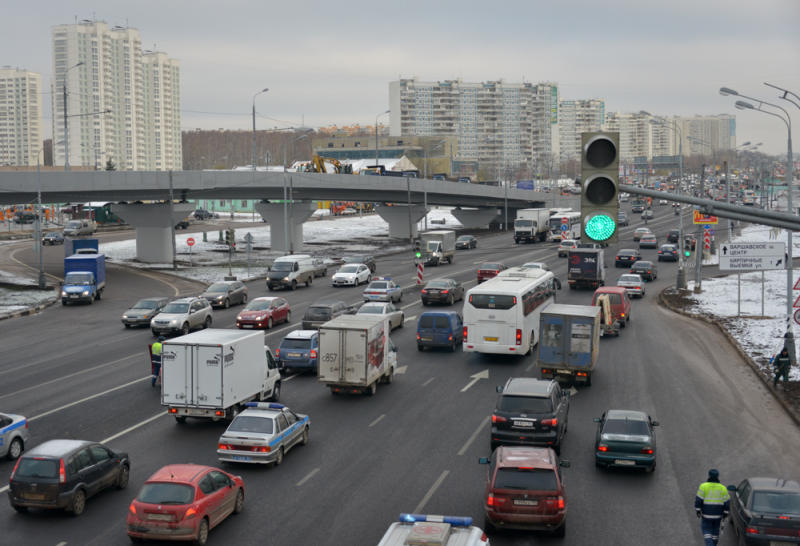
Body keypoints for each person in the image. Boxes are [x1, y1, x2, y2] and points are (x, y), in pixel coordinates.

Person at [695, 469, 730, 546]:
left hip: (706, 515)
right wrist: (725, 513)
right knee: (715, 533)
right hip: (718, 516)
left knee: (707, 531)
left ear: (709, 476)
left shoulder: (703, 486)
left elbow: (698, 500)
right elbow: (727, 503)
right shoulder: (723, 488)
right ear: (718, 476)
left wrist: (698, 510)